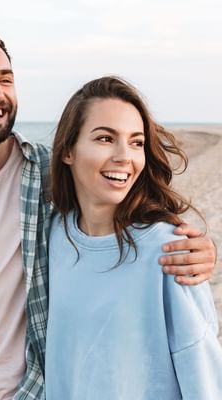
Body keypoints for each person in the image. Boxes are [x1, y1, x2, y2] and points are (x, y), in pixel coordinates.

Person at [0, 28, 216, 400]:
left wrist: (198, 248)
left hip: (31, 392)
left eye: (5, 79)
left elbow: (116, 202)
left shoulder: (48, 175)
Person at [46, 76, 222, 399]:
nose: (124, 156)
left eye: (137, 142)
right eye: (105, 138)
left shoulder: (169, 249)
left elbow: (203, 376)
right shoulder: (54, 235)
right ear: (68, 150)